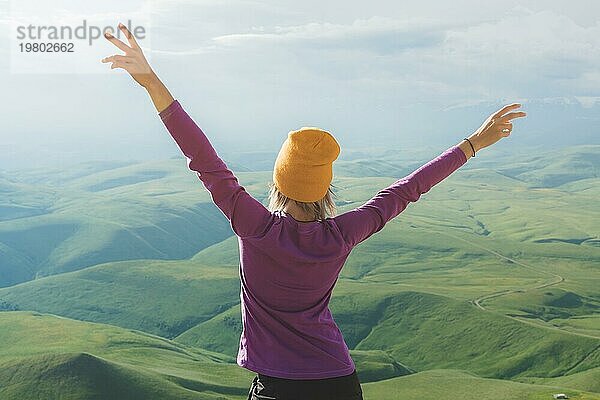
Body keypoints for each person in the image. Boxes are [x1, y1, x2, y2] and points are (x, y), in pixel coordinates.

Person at [101, 23, 526, 400]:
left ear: (277, 182)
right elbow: (407, 190)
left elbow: (204, 158)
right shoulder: (341, 235)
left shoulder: (254, 225)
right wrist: (472, 143)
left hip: (277, 387)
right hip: (338, 381)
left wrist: (152, 82)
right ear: (326, 189)